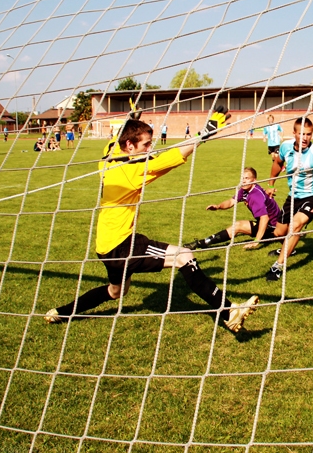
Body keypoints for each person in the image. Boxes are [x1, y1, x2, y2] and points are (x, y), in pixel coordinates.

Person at [44, 116, 258, 333]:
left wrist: (131, 119)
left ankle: (62, 312)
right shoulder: (132, 171)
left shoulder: (108, 157)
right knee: (184, 256)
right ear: (129, 145)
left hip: (105, 246)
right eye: (146, 144)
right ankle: (228, 311)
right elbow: (170, 158)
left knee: (116, 291)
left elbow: (114, 142)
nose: (149, 148)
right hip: (121, 245)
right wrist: (204, 134)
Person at [265, 117, 313, 281]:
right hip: (293, 196)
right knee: (279, 232)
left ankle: (277, 266)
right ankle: (289, 248)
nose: (305, 138)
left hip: (312, 197)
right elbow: (277, 163)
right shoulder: (286, 146)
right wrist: (271, 183)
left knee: (295, 225)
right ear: (294, 133)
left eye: (308, 134)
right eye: (301, 134)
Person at [185, 167, 284, 251]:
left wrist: (256, 241)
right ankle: (203, 243)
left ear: (254, 180)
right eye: (242, 178)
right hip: (268, 225)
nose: (243, 181)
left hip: (274, 229)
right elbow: (231, 201)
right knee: (237, 225)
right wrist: (218, 206)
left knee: (238, 226)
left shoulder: (255, 196)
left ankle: (202, 243)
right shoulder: (245, 190)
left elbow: (264, 218)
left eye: (247, 178)